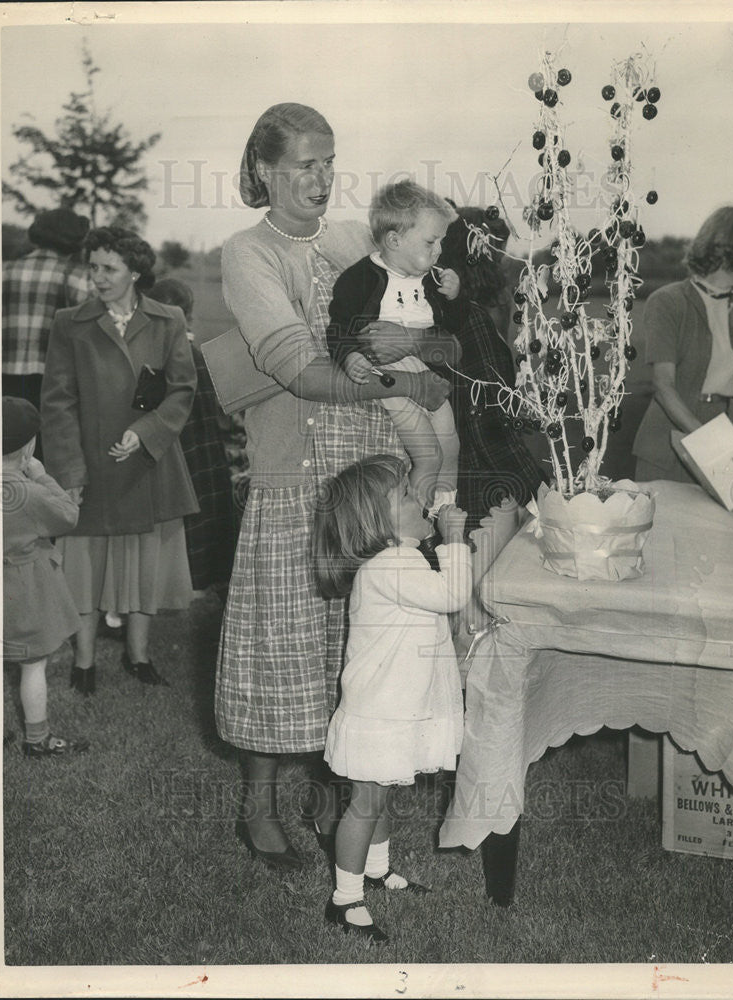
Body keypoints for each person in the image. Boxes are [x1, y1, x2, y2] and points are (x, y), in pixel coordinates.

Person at [214, 103, 454, 871]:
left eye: (329, 162)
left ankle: (333, 794)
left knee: (355, 647)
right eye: (303, 166)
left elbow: (438, 325)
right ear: (263, 171)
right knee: (279, 646)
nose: (321, 180)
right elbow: (296, 370)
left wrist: (418, 347)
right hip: (294, 474)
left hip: (368, 477)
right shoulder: (247, 254)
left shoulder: (357, 240)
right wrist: (403, 386)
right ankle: (258, 807)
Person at [312, 455, 471, 942]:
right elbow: (453, 595)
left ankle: (377, 871)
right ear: (376, 522)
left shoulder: (399, 557)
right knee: (366, 801)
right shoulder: (388, 566)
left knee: (384, 795)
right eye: (405, 495)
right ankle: (345, 899)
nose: (418, 498)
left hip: (396, 705)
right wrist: (455, 541)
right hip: (379, 709)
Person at [41, 226, 199, 694]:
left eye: (108, 268)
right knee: (85, 567)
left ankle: (140, 656)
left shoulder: (168, 319)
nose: (98, 277)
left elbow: (181, 390)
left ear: (134, 271)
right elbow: (57, 403)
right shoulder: (70, 322)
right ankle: (84, 663)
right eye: (92, 267)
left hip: (149, 462)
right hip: (90, 465)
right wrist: (69, 472)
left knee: (143, 563)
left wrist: (146, 432)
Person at [326, 179, 467, 513]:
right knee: (428, 455)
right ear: (394, 240)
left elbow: (453, 330)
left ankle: (445, 511)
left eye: (441, 242)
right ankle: (418, 522)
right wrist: (349, 356)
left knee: (451, 445)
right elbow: (338, 326)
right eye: (431, 241)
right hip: (388, 379)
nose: (439, 251)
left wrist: (456, 298)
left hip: (426, 373)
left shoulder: (432, 279)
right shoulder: (359, 278)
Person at [437, 208, 546, 532]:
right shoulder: (471, 320)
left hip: (461, 478)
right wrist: (540, 491)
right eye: (497, 249)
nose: (502, 259)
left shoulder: (452, 313)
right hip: (480, 487)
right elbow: (485, 421)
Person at [1, 397, 89, 758]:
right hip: (23, 591)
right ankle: (37, 740)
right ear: (28, 445)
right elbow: (68, 515)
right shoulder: (27, 491)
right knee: (31, 665)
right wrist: (38, 472)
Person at [632, 206, 733, 482]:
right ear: (730, 250)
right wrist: (711, 445)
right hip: (668, 448)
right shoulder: (668, 302)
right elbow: (663, 386)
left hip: (726, 444)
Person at [147, 278, 238, 594]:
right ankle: (198, 582)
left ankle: (177, 584)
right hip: (205, 450)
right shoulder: (202, 356)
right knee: (203, 515)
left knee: (180, 520)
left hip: (178, 451)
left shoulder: (153, 359)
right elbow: (223, 416)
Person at [2, 208, 92, 451]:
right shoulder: (78, 278)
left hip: (3, 381)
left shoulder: (4, 271)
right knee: (43, 454)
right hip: (53, 384)